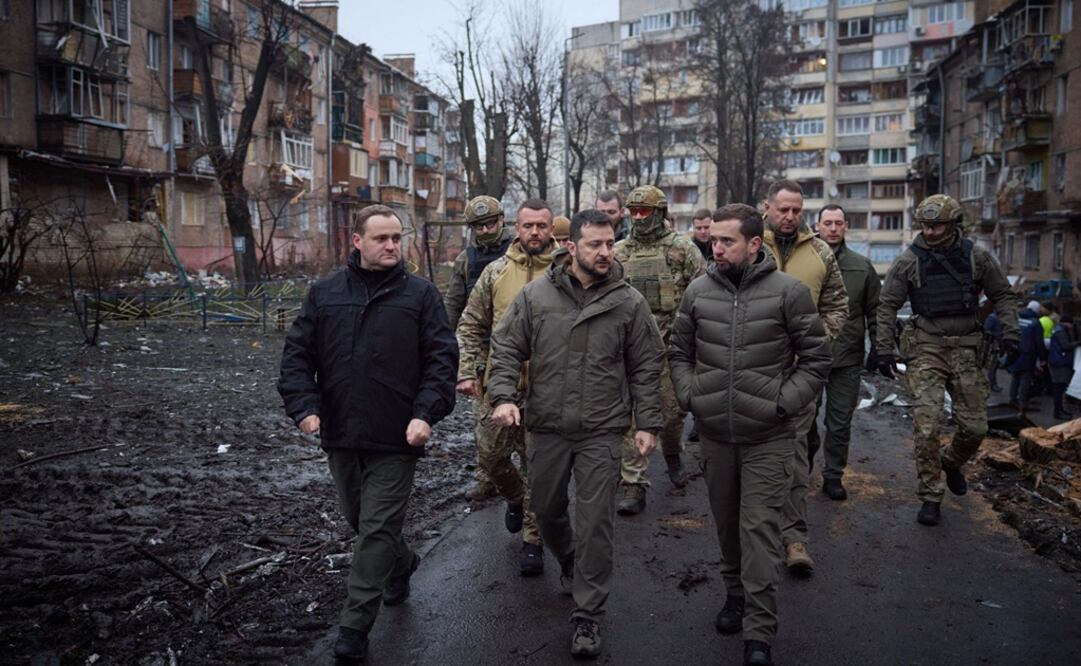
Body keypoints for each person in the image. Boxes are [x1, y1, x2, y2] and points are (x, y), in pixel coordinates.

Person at [277, 204, 458, 663]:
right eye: (381, 238)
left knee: (375, 529)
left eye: (397, 237)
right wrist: (303, 407)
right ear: (356, 241)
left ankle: (354, 627)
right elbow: (297, 356)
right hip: (341, 431)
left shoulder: (420, 296)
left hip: (399, 435)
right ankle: (403, 562)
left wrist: (425, 415)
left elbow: (442, 361)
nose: (392, 246)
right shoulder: (325, 293)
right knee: (362, 521)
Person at [487, 209, 663, 659]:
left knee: (597, 524)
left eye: (610, 244)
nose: (605, 252)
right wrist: (503, 395)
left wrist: (648, 422)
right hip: (546, 427)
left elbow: (646, 366)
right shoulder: (536, 296)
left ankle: (587, 616)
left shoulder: (628, 302)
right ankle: (566, 559)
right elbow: (506, 347)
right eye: (595, 245)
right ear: (572, 247)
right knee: (545, 512)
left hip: (602, 431)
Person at [669, 203, 831, 666]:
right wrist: (691, 395)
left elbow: (818, 359)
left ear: (754, 244)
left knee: (759, 529)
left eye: (726, 241)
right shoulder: (698, 292)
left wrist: (782, 402)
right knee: (726, 525)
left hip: (769, 437)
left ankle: (759, 630)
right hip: (716, 434)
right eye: (713, 240)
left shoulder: (789, 293)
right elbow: (678, 352)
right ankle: (734, 594)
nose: (715, 248)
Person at [876, 194, 1019, 527]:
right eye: (924, 226)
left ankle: (950, 462)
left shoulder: (978, 258)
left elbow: (1002, 295)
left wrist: (1011, 334)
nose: (929, 231)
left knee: (975, 428)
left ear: (954, 225)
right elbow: (886, 306)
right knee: (926, 426)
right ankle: (930, 495)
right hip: (926, 348)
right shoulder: (908, 261)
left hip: (967, 351)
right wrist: (883, 348)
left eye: (936, 225)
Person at [456, 199, 557, 576]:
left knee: (539, 467)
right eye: (528, 225)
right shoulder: (496, 271)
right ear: (517, 226)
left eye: (541, 226)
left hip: (549, 389)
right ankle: (514, 498)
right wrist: (467, 371)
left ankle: (534, 540)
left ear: (550, 228)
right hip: (499, 384)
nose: (534, 232)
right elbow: (470, 325)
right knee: (491, 457)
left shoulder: (566, 272)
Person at [760, 179, 848, 575]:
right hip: (749, 373)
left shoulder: (819, 252)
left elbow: (836, 305)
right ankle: (752, 539)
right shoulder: (748, 246)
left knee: (795, 458)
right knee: (750, 460)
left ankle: (795, 539)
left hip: (797, 373)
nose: (791, 217)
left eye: (797, 210)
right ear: (768, 207)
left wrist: (816, 342)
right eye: (784, 209)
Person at [614, 185, 707, 515]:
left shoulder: (684, 250)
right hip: (630, 352)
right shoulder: (619, 253)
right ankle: (634, 483)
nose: (638, 218)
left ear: (661, 213)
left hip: (671, 351)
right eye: (633, 212)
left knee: (669, 418)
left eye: (645, 212)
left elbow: (704, 296)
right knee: (630, 419)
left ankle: (672, 454)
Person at [444, 195, 515, 501]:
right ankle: (489, 475)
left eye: (491, 223)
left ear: (502, 220)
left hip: (520, 347)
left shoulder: (517, 251)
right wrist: (446, 343)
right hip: (483, 349)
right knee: (484, 421)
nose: (486, 230)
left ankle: (527, 483)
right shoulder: (466, 259)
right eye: (479, 226)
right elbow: (454, 303)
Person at [814, 204, 880, 501]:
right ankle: (802, 466)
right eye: (827, 222)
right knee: (803, 421)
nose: (832, 228)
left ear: (846, 226)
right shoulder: (807, 261)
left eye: (838, 223)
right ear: (817, 226)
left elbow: (875, 311)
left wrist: (881, 347)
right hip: (809, 356)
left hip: (847, 357)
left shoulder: (861, 266)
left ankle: (832, 475)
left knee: (839, 422)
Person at [1009, 300, 1048, 415]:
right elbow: (1039, 343)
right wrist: (1043, 359)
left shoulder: (1017, 319)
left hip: (1015, 353)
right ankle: (1022, 405)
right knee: (1025, 380)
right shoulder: (1035, 323)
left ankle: (1012, 401)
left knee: (1015, 377)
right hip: (1028, 356)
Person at [1050, 314, 1078, 420]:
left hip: (1057, 361)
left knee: (1059, 388)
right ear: (1066, 322)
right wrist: (1078, 343)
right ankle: (1057, 412)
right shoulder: (1061, 331)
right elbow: (1066, 346)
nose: (1071, 326)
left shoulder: (1058, 329)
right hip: (1060, 363)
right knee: (1059, 388)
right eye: (1071, 323)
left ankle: (1059, 410)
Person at [984, 310, 1004, 392]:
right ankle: (992, 385)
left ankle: (992, 384)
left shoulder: (997, 317)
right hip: (994, 345)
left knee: (994, 366)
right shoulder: (992, 318)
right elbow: (987, 330)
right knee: (993, 366)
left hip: (998, 344)